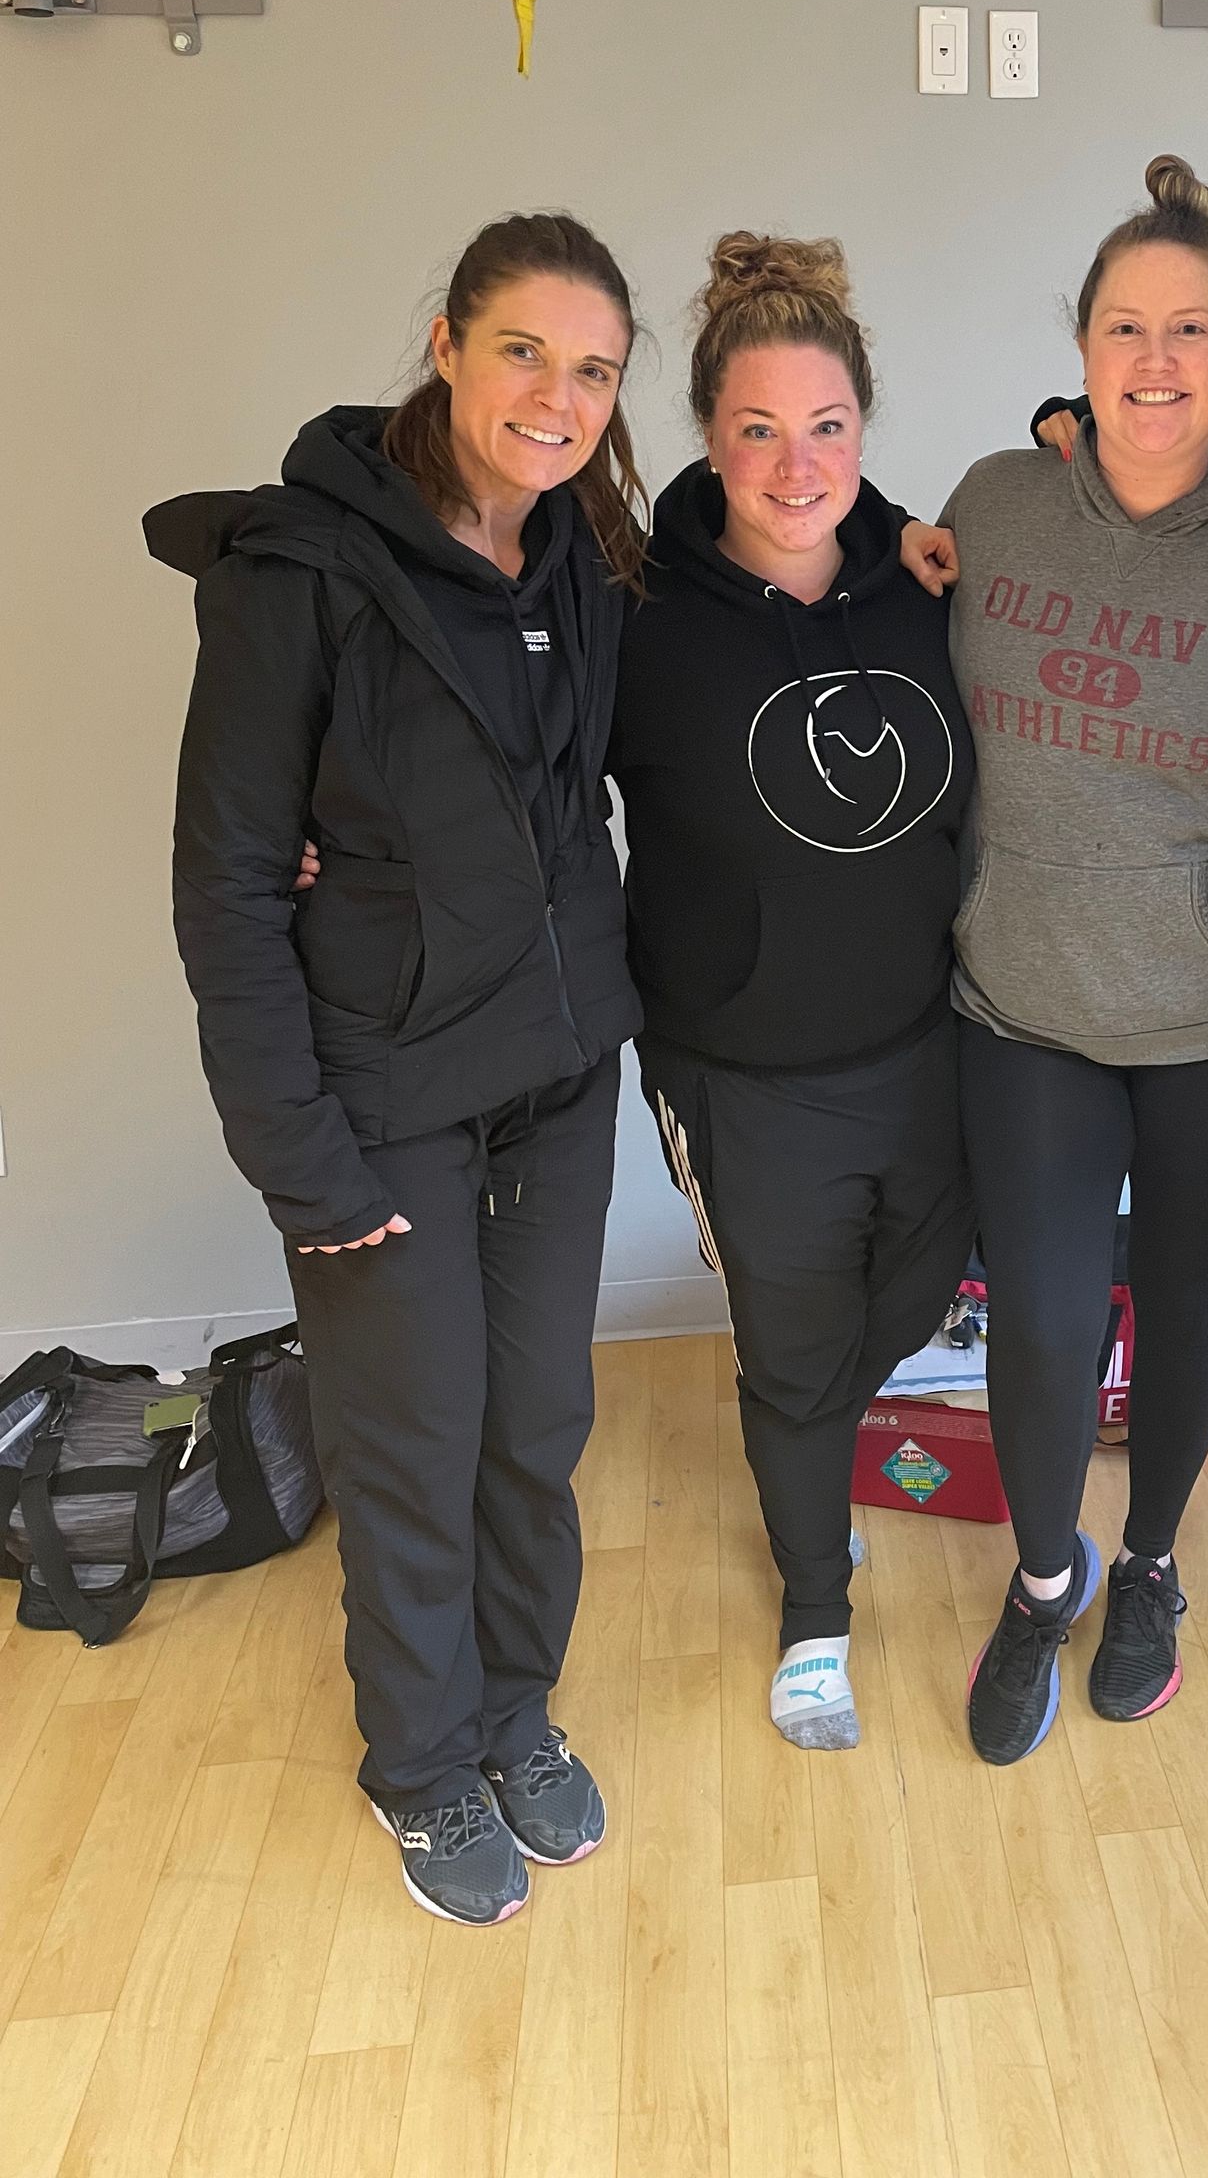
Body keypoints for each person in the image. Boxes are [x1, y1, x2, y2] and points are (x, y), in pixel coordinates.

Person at [146, 213, 646, 1925]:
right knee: (415, 1444)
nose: (554, 396)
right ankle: (421, 1767)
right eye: (523, 352)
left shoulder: (581, 550)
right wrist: (304, 1162)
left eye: (591, 370)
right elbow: (225, 880)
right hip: (380, 1107)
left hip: (556, 1083)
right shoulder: (298, 579)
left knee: (540, 1429)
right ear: (444, 344)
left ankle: (513, 1712)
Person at [906, 157, 1208, 1765]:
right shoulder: (993, 508)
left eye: (1190, 331)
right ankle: (1042, 1579)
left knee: (1183, 1305)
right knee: (1039, 1319)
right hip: (1025, 999)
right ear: (1081, 351)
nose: (1155, 361)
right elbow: (866, 629)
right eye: (1123, 327)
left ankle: (1149, 1566)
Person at [613, 233, 976, 1752]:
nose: (794, 462)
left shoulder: (927, 586)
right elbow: (494, 768)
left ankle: (817, 1441)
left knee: (908, 1295)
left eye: (824, 426)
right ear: (708, 432)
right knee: (794, 1342)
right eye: (758, 428)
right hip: (743, 1069)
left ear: (864, 429)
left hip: (938, 1043)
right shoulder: (635, 614)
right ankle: (813, 1603)